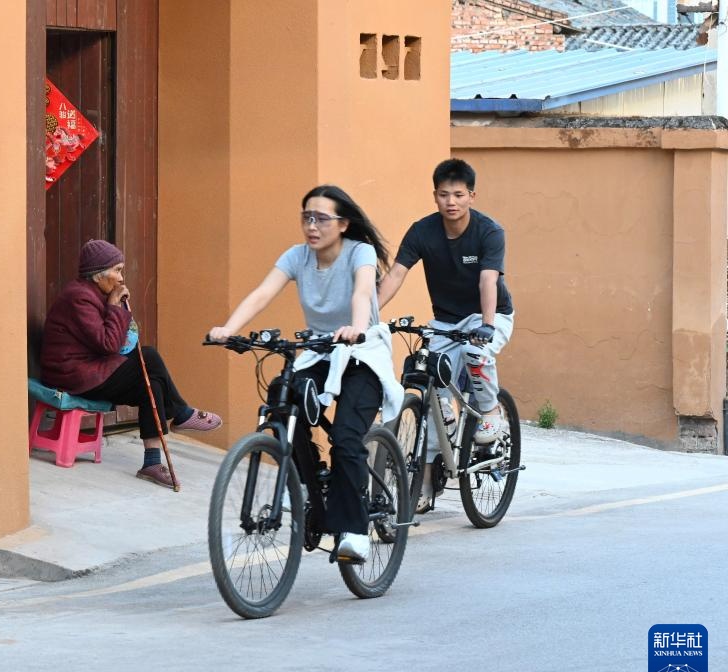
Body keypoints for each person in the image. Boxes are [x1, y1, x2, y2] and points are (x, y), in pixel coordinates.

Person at [208, 185, 403, 562]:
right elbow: (263, 292)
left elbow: (363, 292)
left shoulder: (358, 253)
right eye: (306, 218)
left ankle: (355, 530)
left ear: (343, 224)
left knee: (346, 439)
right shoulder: (297, 257)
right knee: (282, 397)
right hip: (319, 352)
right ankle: (307, 486)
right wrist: (229, 328)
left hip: (362, 354)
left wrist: (356, 328)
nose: (312, 226)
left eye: (321, 219)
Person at [377, 158, 515, 512]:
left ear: (471, 195)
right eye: (443, 194)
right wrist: (367, 316)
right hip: (446, 322)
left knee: (476, 355)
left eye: (458, 194)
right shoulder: (423, 231)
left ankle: (489, 412)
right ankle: (424, 485)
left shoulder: (489, 231)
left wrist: (485, 325)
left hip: (490, 314)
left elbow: (488, 279)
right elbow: (394, 276)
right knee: (427, 382)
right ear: (434, 196)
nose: (450, 201)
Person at [39, 239, 222, 489]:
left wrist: (115, 306)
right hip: (72, 374)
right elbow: (108, 344)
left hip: (90, 368)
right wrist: (115, 306)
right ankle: (181, 413)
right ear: (97, 275)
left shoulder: (92, 293)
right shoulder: (79, 297)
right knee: (149, 357)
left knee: (152, 382)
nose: (121, 278)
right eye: (117, 270)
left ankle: (152, 462)